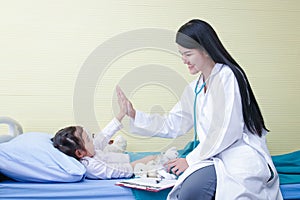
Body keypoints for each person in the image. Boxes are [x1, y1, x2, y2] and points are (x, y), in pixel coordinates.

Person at [117, 19, 283, 200]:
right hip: (210, 156)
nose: (184, 60)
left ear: (205, 49)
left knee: (191, 192)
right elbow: (174, 122)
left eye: (187, 54)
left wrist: (190, 160)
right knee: (181, 191)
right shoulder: (195, 87)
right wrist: (134, 115)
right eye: (181, 54)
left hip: (236, 155)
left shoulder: (227, 76)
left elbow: (226, 130)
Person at [51, 90, 178, 180]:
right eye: (89, 139)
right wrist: (139, 163)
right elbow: (118, 171)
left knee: (146, 156)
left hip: (123, 159)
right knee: (152, 158)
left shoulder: (89, 152)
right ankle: (167, 160)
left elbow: (104, 136)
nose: (93, 140)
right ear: (79, 153)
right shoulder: (92, 166)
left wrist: (122, 113)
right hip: (129, 167)